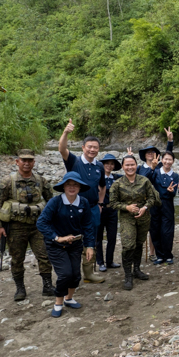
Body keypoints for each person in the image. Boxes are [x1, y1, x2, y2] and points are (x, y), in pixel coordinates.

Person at [0, 149, 55, 301]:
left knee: (44, 256)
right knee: (17, 259)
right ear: (17, 162)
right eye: (23, 160)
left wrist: (53, 222)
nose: (27, 163)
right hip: (15, 227)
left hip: (38, 226)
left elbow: (51, 201)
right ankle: (20, 288)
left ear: (34, 162)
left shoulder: (41, 181)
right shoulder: (8, 182)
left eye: (30, 160)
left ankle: (47, 286)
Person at [37, 172, 95, 317]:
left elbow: (88, 225)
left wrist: (90, 246)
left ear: (80, 187)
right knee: (65, 274)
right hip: (55, 245)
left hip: (75, 244)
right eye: (69, 184)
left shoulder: (83, 202)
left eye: (75, 184)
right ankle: (58, 302)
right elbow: (41, 223)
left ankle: (69, 298)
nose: (72, 187)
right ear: (63, 186)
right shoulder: (55, 202)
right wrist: (57, 238)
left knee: (75, 274)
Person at [58, 119, 105, 284]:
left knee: (92, 240)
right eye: (89, 147)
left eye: (95, 148)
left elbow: (102, 186)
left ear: (98, 150)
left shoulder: (99, 166)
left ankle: (89, 273)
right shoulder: (74, 161)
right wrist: (66, 133)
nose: (92, 150)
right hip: (74, 207)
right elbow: (62, 149)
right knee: (73, 238)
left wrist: (100, 203)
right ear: (83, 147)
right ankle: (71, 272)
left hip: (92, 208)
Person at [109, 155, 158, 290]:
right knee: (128, 246)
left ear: (136, 166)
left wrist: (145, 207)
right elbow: (112, 203)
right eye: (127, 165)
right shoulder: (117, 184)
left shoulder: (144, 181)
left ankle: (136, 269)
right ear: (123, 167)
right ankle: (128, 275)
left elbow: (152, 198)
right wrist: (127, 207)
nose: (130, 167)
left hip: (143, 216)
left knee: (138, 243)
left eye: (132, 165)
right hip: (126, 218)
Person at [146, 151, 179, 265]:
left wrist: (171, 192)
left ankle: (168, 255)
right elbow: (147, 180)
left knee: (167, 231)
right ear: (162, 160)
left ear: (173, 161)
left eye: (170, 160)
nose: (167, 162)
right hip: (154, 204)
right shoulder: (155, 172)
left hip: (168, 205)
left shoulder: (175, 176)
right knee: (155, 229)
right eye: (165, 159)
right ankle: (159, 256)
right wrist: (152, 167)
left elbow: (174, 193)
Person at [96, 153, 122, 272]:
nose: (109, 166)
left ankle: (110, 261)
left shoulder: (117, 178)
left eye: (111, 164)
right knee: (99, 237)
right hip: (100, 209)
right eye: (106, 163)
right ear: (102, 165)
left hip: (112, 210)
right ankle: (100, 262)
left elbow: (132, 174)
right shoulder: (97, 178)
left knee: (112, 236)